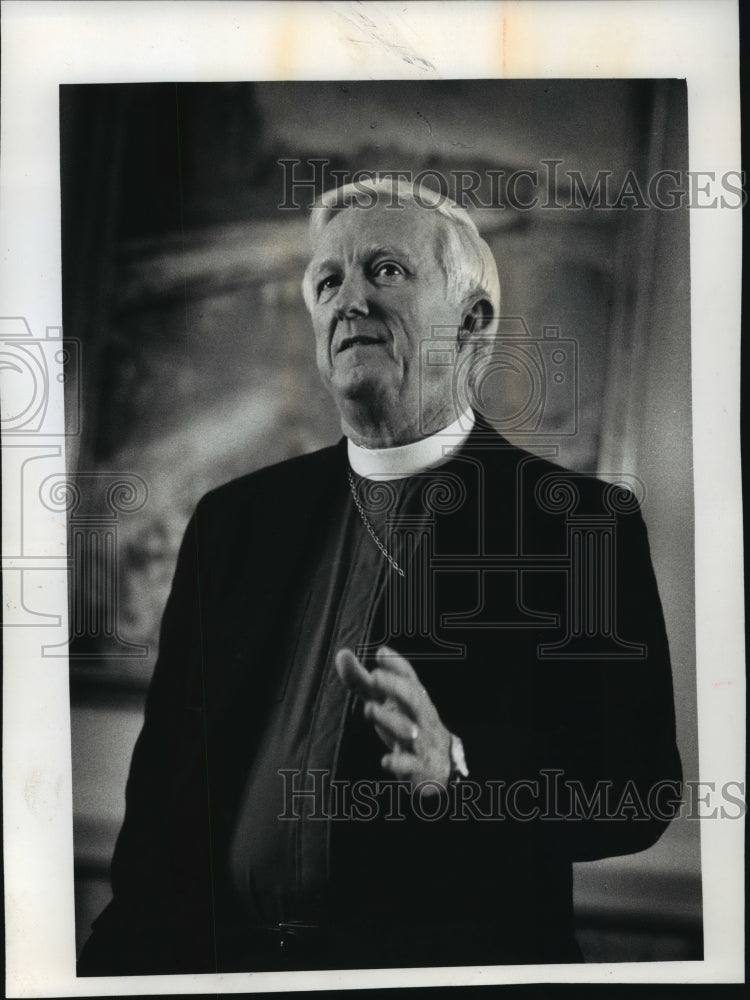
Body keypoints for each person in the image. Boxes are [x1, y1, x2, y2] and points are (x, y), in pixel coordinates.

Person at [77, 179, 682, 975]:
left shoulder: (578, 524)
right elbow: (159, 805)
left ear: (472, 322)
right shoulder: (233, 522)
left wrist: (458, 769)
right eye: (327, 282)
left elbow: (637, 793)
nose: (348, 300)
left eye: (385, 271)